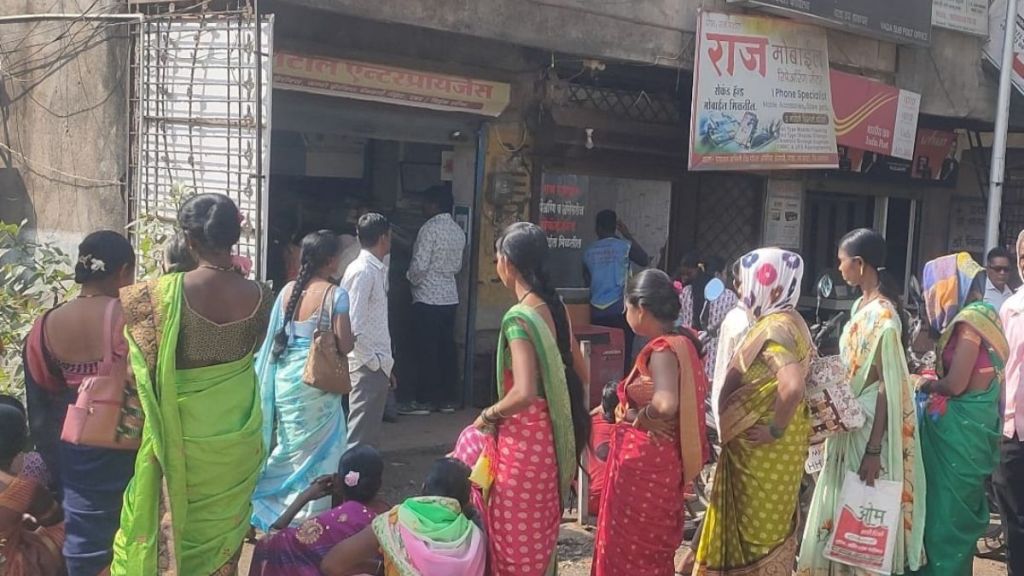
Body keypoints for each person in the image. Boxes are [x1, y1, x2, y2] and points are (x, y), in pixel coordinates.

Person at [112, 193, 274, 575]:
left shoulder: (154, 298)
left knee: (161, 536)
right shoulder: (262, 298)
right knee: (221, 544)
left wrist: (127, 431)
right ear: (233, 237)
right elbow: (251, 350)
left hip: (178, 441)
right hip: (235, 444)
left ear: (189, 240)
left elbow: (135, 375)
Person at [798, 228, 926, 575]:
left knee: (861, 507)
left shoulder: (885, 316)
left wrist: (873, 449)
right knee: (840, 502)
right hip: (848, 419)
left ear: (859, 263)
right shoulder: (859, 306)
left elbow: (888, 384)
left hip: (869, 422)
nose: (839, 269)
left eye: (842, 262)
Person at [476, 221, 591, 576]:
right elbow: (582, 373)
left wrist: (488, 414)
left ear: (507, 263)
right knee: (537, 544)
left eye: (497, 257)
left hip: (522, 447)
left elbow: (523, 392)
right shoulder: (555, 308)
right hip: (553, 446)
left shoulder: (519, 319)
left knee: (513, 545)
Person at [22, 230, 137, 576]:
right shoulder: (130, 319)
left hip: (73, 454)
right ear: (123, 272)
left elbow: (39, 405)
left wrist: (60, 467)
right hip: (126, 446)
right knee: (129, 537)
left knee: (84, 546)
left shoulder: (43, 327)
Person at [694, 248, 812, 575]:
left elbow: (791, 385)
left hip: (762, 452)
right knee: (773, 524)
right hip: (783, 450)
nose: (742, 291)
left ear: (768, 285)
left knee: (756, 529)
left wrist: (774, 428)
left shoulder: (773, 329)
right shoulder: (795, 321)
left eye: (747, 283)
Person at [591, 269, 708, 576]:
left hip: (645, 467)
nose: (623, 312)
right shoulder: (686, 341)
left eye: (626, 307)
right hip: (663, 461)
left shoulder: (662, 349)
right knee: (650, 548)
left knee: (633, 549)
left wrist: (642, 417)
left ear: (641, 309)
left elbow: (665, 402)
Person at [909, 253, 1007, 575]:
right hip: (969, 430)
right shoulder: (978, 316)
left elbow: (954, 384)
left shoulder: (970, 322)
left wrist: (922, 384)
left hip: (958, 435)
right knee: (949, 516)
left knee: (943, 518)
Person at [251, 230, 355, 532]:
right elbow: (345, 344)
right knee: (323, 448)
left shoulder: (286, 292)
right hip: (317, 383)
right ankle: (311, 514)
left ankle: (268, 502)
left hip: (286, 379)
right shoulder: (337, 295)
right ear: (332, 260)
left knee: (288, 444)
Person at [320, 457, 486, 576]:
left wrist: (380, 568)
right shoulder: (476, 538)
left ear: (423, 488)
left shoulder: (394, 521)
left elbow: (331, 566)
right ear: (466, 502)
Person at [249, 445, 387, 576]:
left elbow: (272, 540)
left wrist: (303, 497)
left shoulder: (326, 523)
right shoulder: (390, 517)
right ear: (379, 484)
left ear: (338, 480)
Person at [401, 184, 467, 415]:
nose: (422, 207)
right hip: (450, 296)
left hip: (427, 297)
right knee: (446, 349)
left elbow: (419, 264)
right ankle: (448, 399)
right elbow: (457, 266)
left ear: (434, 205)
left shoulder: (429, 229)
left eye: (425, 203)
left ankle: (424, 400)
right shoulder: (458, 231)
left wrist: (409, 278)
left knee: (425, 350)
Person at [341, 212, 395, 451]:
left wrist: (384, 365)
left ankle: (360, 481)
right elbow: (352, 326)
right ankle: (349, 482)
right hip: (365, 364)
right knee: (359, 435)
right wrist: (373, 362)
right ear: (384, 237)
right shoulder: (363, 271)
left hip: (376, 362)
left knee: (368, 434)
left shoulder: (375, 268)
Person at [0, 401, 65, 575]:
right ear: (18, 453)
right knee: (64, 529)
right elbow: (55, 518)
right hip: (9, 568)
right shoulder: (22, 488)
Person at [583, 210, 650, 371]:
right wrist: (627, 234)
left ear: (597, 228)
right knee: (622, 356)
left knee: (598, 356)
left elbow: (586, 282)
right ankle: (620, 391)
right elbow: (644, 260)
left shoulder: (588, 252)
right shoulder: (625, 247)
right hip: (621, 311)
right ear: (615, 227)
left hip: (596, 312)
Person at [997, 228, 1024, 576]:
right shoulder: (1011, 308)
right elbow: (1000, 367)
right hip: (1010, 432)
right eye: (1023, 257)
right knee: (1014, 525)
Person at [680, 256, 740, 381]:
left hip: (688, 356)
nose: (726, 278)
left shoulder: (685, 292)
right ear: (717, 275)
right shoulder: (729, 297)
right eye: (725, 273)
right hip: (716, 365)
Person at [984, 246, 1014, 311]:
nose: (1002, 273)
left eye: (1006, 269)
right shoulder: (980, 291)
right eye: (997, 269)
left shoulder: (1012, 294)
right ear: (987, 269)